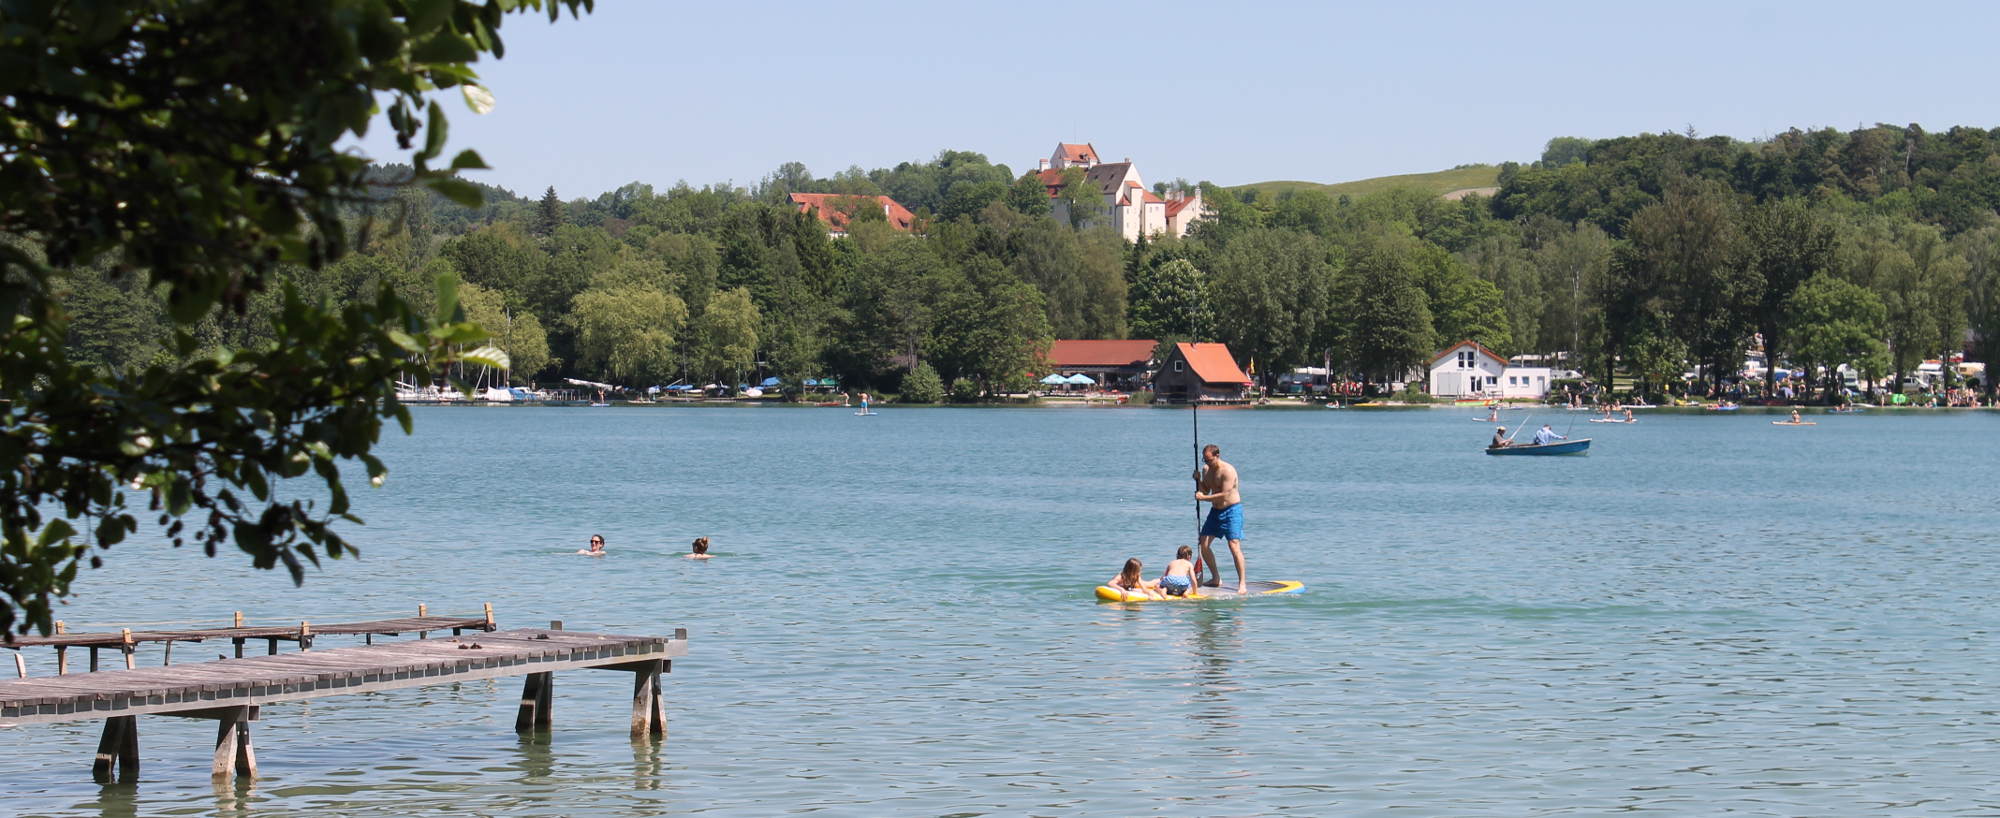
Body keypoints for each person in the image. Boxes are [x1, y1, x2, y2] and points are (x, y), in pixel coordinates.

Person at [1194, 443, 1247, 594]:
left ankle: (1242, 583)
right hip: (1215, 512)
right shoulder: (1206, 470)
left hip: (1232, 511)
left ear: (1217, 456)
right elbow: (1205, 489)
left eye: (1209, 460)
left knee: (1233, 545)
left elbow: (1225, 494)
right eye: (1204, 460)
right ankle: (1216, 578)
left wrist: (1203, 498)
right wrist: (1198, 480)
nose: (1207, 463)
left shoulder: (1228, 471)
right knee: (1203, 544)